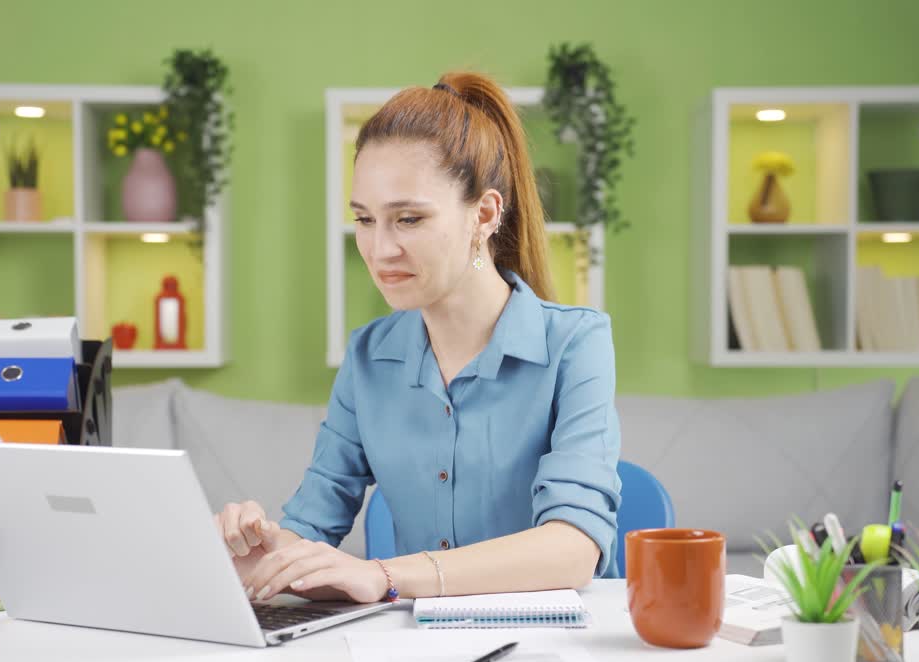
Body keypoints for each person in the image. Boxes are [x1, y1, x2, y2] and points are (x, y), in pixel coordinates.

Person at [216, 71, 621, 604]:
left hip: (552, 639)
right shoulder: (368, 357)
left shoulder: (576, 342)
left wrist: (385, 575)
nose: (380, 250)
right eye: (365, 220)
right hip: (414, 644)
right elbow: (313, 523)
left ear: (484, 214)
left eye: (408, 219)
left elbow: (573, 549)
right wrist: (266, 558)